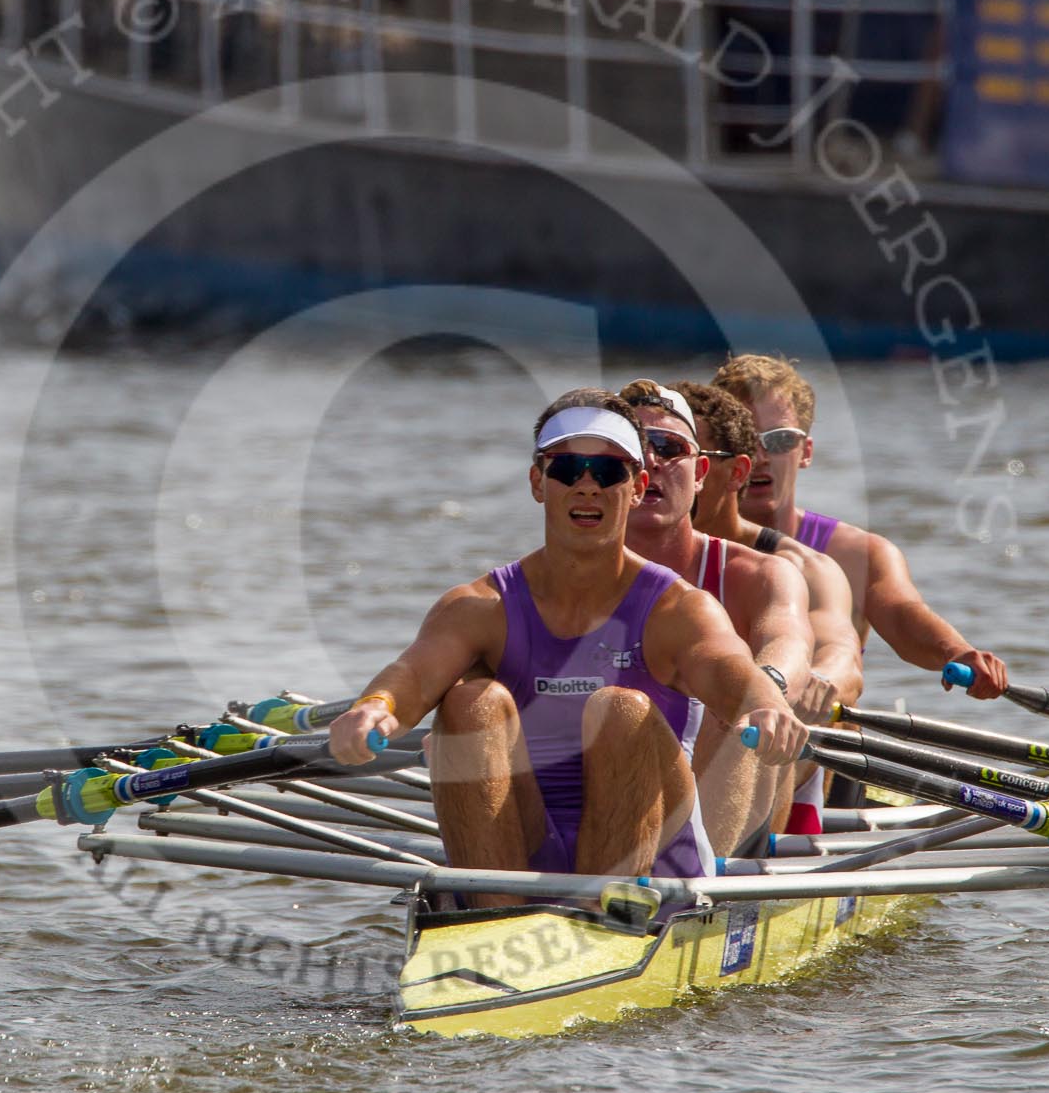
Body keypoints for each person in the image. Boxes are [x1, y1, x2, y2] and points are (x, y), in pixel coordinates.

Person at [328, 387, 807, 904]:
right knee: (471, 702)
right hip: (526, 846)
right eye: (567, 469)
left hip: (655, 861)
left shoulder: (677, 609)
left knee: (621, 708)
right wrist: (375, 708)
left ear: (637, 485)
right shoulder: (480, 606)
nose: (587, 487)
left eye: (608, 472)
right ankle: (494, 923)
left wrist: (764, 705)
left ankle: (597, 925)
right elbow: (415, 676)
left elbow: (727, 668)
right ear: (538, 482)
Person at [711, 354, 1009, 699]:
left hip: (816, 735)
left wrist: (954, 651)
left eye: (779, 440)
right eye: (747, 441)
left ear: (806, 452)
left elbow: (901, 616)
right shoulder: (672, 541)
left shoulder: (856, 554)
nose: (762, 457)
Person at [615, 378, 814, 854]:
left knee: (734, 687)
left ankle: (694, 880)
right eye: (632, 451)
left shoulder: (762, 575)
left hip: (733, 804)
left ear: (701, 471)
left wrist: (765, 688)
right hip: (612, 799)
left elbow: (788, 641)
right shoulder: (549, 576)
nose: (652, 461)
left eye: (667, 446)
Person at [672, 377, 865, 834]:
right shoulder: (607, 561)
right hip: (660, 759)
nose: (662, 468)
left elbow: (842, 654)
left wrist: (814, 681)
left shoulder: (797, 568)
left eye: (678, 455)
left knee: (739, 697)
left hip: (758, 754)